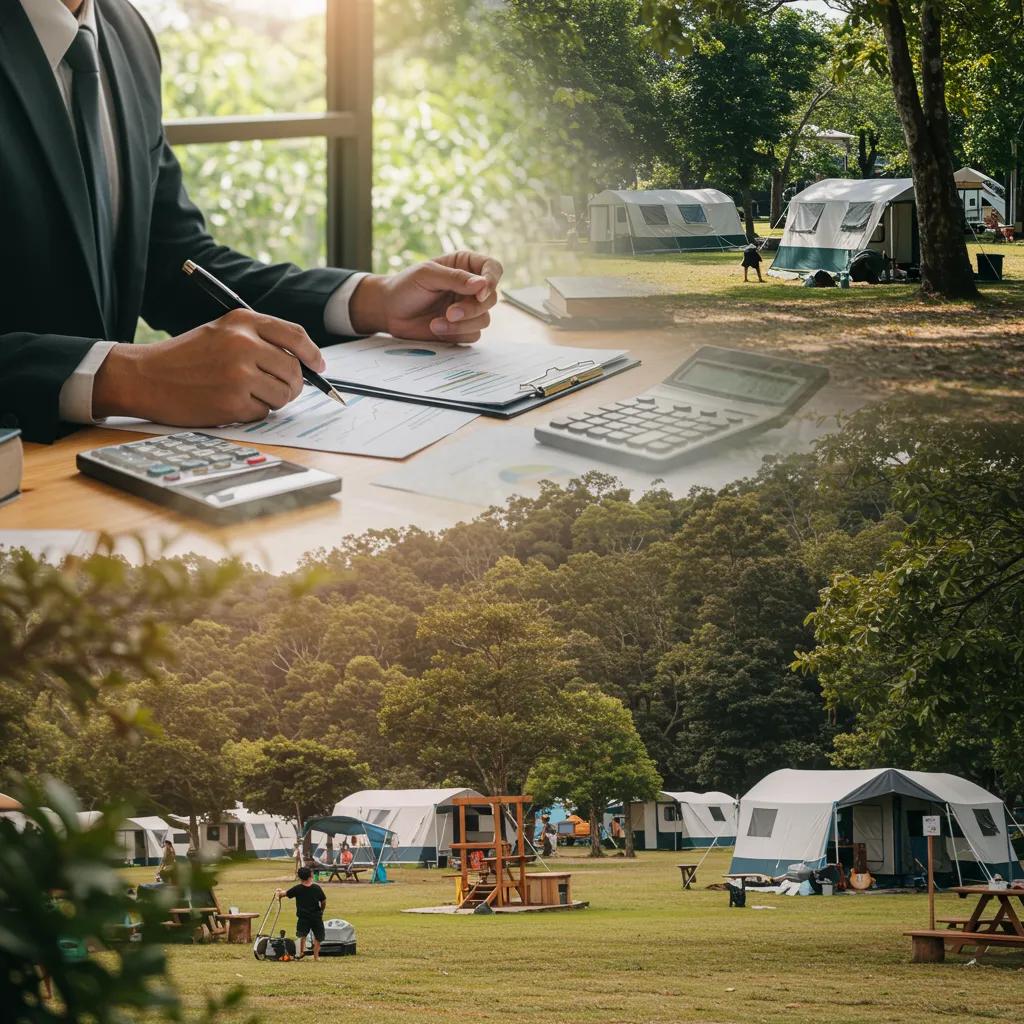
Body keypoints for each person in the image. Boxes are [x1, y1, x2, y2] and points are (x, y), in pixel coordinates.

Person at [1, 0, 504, 444]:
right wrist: (126, 378)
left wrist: (373, 300)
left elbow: (175, 265)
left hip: (87, 470)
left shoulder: (124, 31)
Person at [275, 866, 326, 961]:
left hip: (303, 917)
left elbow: (285, 894)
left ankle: (301, 952)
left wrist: (279, 892)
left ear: (299, 877)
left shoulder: (297, 888)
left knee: (302, 935)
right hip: (316, 917)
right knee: (318, 936)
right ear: (311, 876)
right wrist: (322, 911)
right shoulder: (316, 888)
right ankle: (316, 956)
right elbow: (323, 901)